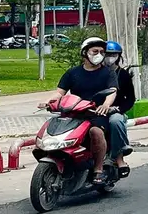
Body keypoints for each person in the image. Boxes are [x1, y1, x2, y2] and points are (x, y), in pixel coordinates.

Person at [44, 37, 117, 185]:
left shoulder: (108, 73)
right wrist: (48, 101)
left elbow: (112, 91)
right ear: (85, 53)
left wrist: (105, 105)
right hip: (74, 113)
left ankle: (98, 169)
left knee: (96, 132)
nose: (99, 54)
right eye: (95, 51)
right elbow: (60, 92)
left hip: (96, 113)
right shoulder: (73, 73)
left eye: (102, 52)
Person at [102, 41, 134, 177]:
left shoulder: (123, 75)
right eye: (107, 54)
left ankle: (119, 158)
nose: (109, 58)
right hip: (92, 110)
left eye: (113, 55)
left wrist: (118, 109)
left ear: (118, 56)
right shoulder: (95, 73)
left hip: (115, 111)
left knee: (115, 121)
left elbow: (130, 99)